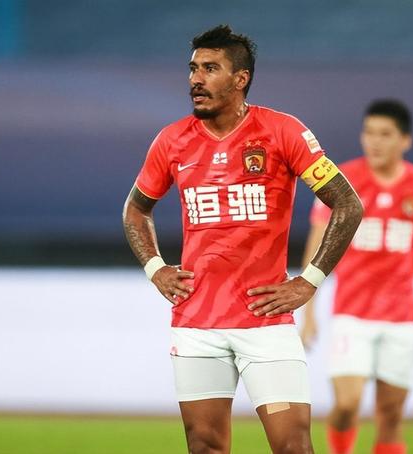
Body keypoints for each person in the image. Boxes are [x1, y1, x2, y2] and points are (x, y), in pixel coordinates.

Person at [122, 24, 363, 454]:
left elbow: (347, 203)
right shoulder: (172, 141)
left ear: (240, 79)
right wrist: (156, 268)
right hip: (197, 323)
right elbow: (135, 210)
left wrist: (309, 281)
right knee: (205, 446)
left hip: (265, 320)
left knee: (293, 446)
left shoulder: (283, 131)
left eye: (210, 68)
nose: (196, 79)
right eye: (193, 69)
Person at [299, 99, 413, 454]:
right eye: (369, 132)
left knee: (390, 417)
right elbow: (316, 243)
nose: (374, 141)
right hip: (351, 313)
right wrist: (309, 310)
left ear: (405, 140)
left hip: (401, 317)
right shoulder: (343, 181)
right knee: (347, 404)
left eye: (385, 134)